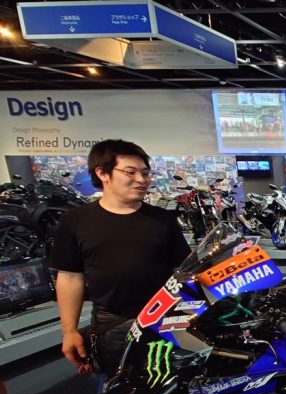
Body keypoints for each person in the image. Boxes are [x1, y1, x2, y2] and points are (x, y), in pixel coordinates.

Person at [50, 139, 190, 374]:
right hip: (110, 323)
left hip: (164, 319)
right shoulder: (76, 220)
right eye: (130, 172)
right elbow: (70, 277)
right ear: (102, 173)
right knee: (117, 385)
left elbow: (182, 270)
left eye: (145, 173)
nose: (141, 179)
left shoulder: (162, 219)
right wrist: (69, 331)